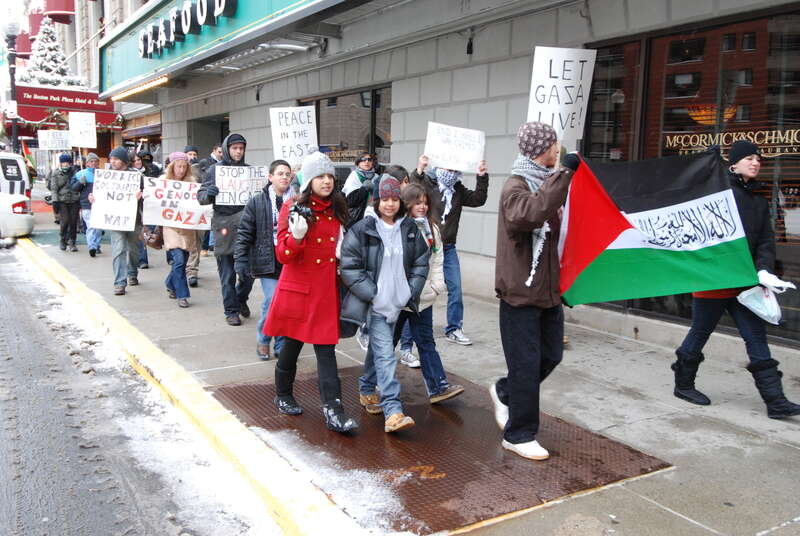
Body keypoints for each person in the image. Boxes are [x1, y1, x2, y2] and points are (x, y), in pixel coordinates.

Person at [672, 140, 800, 420]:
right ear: (734, 163)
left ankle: (775, 401)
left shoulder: (758, 199)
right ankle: (683, 385)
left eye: (758, 159)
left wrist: (764, 269)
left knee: (756, 337)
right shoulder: (719, 191)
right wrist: (707, 165)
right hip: (714, 281)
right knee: (699, 333)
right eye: (749, 158)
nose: (755, 163)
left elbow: (766, 240)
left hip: (746, 284)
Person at [490, 122, 579, 461]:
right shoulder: (516, 186)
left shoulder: (548, 183)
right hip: (520, 293)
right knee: (526, 365)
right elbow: (531, 212)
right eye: (555, 145)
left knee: (551, 355)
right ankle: (519, 434)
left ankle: (505, 392)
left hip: (548, 291)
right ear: (543, 149)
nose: (558, 150)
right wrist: (565, 174)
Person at [264, 150, 358, 433]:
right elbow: (283, 255)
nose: (327, 181)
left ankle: (334, 410)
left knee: (326, 350)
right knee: (291, 347)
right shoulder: (292, 207)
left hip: (326, 291)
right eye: (320, 176)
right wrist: (297, 237)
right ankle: (283, 394)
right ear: (309, 180)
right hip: (299, 289)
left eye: (330, 176)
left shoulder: (337, 207)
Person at [340, 175, 430, 433]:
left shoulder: (409, 227)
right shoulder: (363, 229)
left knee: (380, 351)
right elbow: (349, 265)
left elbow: (422, 259)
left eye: (394, 199)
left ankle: (367, 389)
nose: (390, 204)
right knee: (386, 354)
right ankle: (393, 410)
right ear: (377, 200)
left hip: (399, 301)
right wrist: (373, 293)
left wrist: (411, 290)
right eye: (385, 199)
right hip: (377, 304)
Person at [411, 155, 489, 346]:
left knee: (456, 289)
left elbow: (479, 199)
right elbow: (414, 191)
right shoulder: (429, 184)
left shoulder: (458, 190)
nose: (452, 174)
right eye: (449, 169)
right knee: (418, 288)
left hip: (449, 247)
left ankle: (454, 328)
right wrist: (419, 169)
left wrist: (482, 176)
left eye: (455, 171)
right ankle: (410, 333)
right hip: (427, 246)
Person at [235, 159, 295, 360]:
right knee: (271, 302)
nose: (284, 177)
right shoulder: (257, 201)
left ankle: (281, 344)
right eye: (280, 173)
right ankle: (264, 339)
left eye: (287, 174)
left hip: (291, 260)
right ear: (270, 177)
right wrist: (241, 260)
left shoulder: (297, 201)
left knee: (287, 305)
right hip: (267, 259)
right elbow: (244, 232)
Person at [197, 133, 255, 326]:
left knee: (248, 272)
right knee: (227, 273)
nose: (238, 152)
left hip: (246, 227)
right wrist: (209, 194)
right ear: (227, 149)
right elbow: (201, 196)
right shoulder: (214, 170)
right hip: (224, 225)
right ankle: (231, 310)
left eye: (241, 148)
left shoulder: (249, 171)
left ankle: (240, 299)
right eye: (234, 148)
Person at [90, 147, 144, 296]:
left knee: (134, 249)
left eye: (116, 159)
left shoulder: (137, 177)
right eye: (111, 158)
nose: (112, 161)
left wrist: (142, 196)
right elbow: (99, 196)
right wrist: (93, 198)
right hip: (115, 221)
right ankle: (120, 282)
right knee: (118, 249)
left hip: (134, 220)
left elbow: (148, 197)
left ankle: (132, 272)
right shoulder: (106, 177)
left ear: (124, 161)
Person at [159, 152, 198, 308]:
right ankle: (182, 295)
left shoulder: (192, 183)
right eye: (178, 166)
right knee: (179, 261)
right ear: (172, 166)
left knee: (181, 262)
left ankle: (169, 283)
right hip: (170, 227)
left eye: (184, 166)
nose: (181, 170)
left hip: (187, 227)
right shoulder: (163, 182)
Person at [70, 153, 102, 257]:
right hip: (86, 204)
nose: (94, 163)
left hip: (100, 205)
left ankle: (96, 245)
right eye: (91, 161)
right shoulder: (80, 174)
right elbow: (73, 188)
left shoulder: (104, 174)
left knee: (99, 228)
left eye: (96, 161)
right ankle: (92, 246)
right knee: (91, 226)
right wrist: (80, 182)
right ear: (87, 163)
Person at [48, 153, 81, 252]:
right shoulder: (55, 173)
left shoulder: (76, 172)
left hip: (74, 200)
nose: (66, 164)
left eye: (67, 162)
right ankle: (63, 239)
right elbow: (54, 189)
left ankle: (72, 242)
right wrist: (55, 201)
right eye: (63, 163)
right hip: (62, 200)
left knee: (73, 221)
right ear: (61, 164)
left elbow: (79, 186)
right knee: (65, 221)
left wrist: (81, 181)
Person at [341, 152, 379, 226]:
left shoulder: (377, 177)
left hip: (373, 217)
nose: (367, 162)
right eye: (363, 160)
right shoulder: (354, 176)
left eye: (369, 160)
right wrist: (364, 188)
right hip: (357, 218)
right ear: (358, 163)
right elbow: (351, 201)